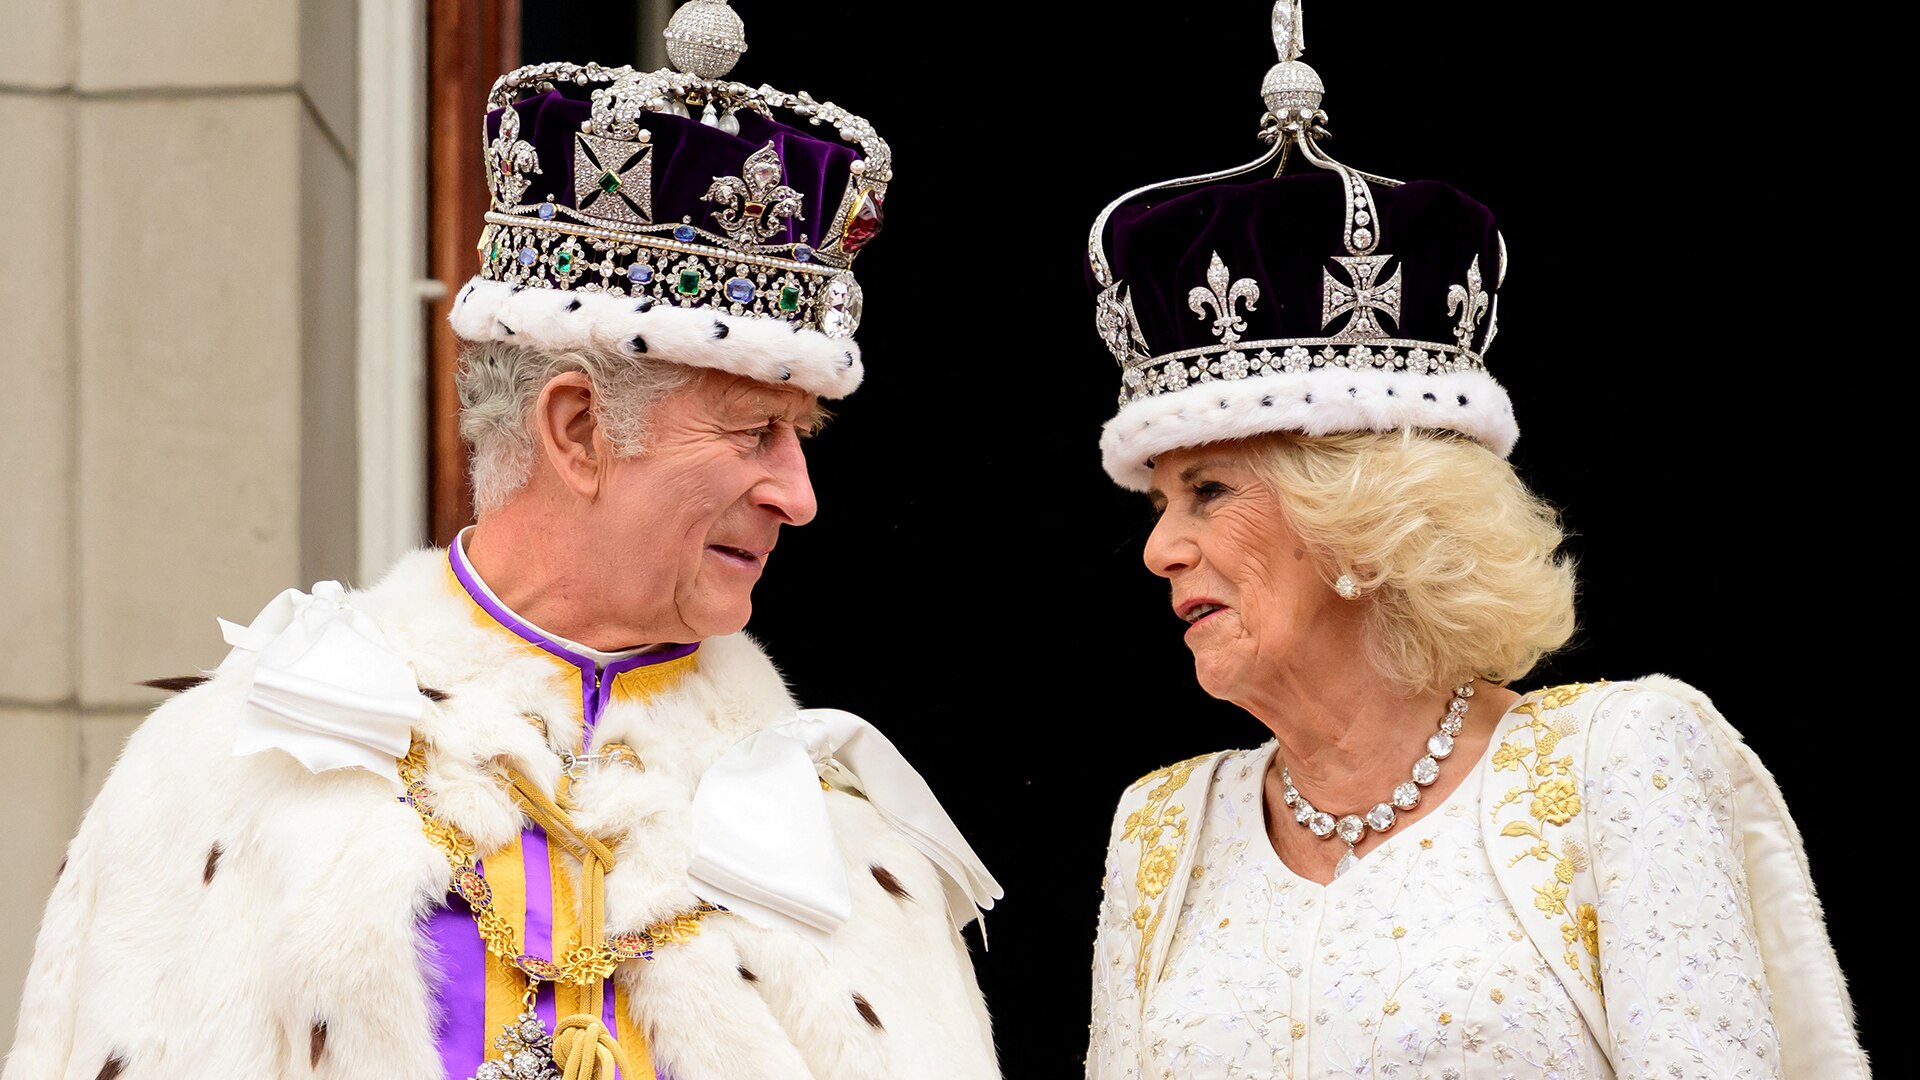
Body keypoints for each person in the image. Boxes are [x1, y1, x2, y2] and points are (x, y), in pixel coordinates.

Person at [3, 5, 1000, 1079]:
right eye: (756, 431)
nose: (799, 495)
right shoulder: (229, 771)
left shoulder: (850, 843)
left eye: (799, 437)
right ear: (577, 431)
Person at [1081, 5, 1865, 1078]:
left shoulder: (1619, 761)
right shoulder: (1160, 828)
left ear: (1364, 515)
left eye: (1208, 491)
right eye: (1159, 502)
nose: (1161, 548)